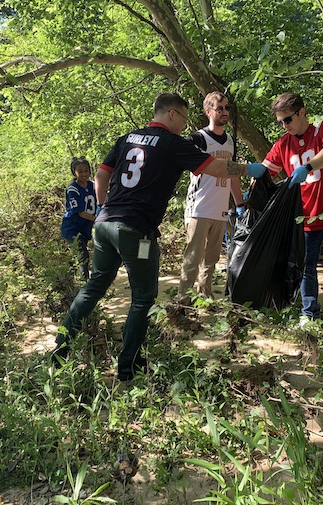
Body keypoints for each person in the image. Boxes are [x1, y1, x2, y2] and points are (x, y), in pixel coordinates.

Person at [53, 92, 267, 380]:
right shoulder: (172, 144)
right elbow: (217, 168)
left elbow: (102, 176)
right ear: (172, 115)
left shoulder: (127, 138)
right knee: (142, 298)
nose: (185, 125)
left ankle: (60, 348)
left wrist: (105, 208)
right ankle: (128, 367)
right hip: (136, 230)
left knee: (93, 287)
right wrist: (251, 169)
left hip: (104, 226)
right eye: (184, 118)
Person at [261, 92, 323, 335]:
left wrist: (308, 166)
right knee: (305, 266)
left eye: (287, 120)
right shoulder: (283, 144)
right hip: (305, 217)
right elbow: (267, 171)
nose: (284, 126)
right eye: (280, 122)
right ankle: (309, 313)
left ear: (302, 113)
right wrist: (247, 181)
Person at [179, 92, 245, 299]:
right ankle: (183, 300)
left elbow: (233, 174)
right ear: (209, 112)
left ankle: (205, 297)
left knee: (212, 259)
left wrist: (240, 202)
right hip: (199, 207)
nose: (224, 112)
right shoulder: (198, 139)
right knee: (193, 257)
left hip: (220, 208)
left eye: (226, 108)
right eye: (220, 108)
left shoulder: (231, 142)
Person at [60, 157, 97, 279]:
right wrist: (97, 219)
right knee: (82, 255)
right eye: (80, 171)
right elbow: (80, 212)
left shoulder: (93, 186)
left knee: (77, 256)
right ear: (74, 173)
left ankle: (67, 278)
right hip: (72, 228)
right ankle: (85, 284)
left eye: (86, 171)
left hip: (84, 228)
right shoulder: (73, 189)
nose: (84, 174)